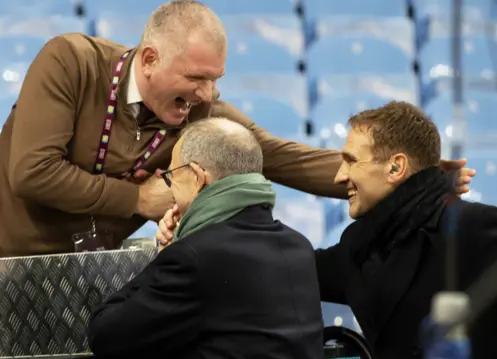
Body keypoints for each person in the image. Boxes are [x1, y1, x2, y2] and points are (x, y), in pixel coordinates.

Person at [0, 0, 472, 261]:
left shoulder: (200, 109)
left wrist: (408, 177)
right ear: (149, 59)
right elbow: (32, 172)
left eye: (215, 81)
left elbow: (280, 157)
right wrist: (139, 200)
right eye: (195, 78)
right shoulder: (71, 62)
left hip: (79, 287)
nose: (206, 95)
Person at [157, 101, 497, 359]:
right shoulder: (360, 244)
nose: (339, 176)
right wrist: (195, 236)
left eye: (350, 161)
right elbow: (278, 268)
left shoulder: (477, 229)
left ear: (395, 167)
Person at [88, 117, 324, 358]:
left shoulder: (195, 257)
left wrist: (167, 254)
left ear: (196, 177)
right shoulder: (300, 247)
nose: (171, 190)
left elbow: (106, 335)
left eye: (172, 176)